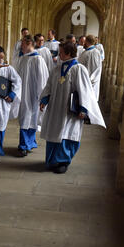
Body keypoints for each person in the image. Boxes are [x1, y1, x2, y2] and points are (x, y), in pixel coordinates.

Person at [40, 41, 106, 174]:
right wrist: (44, 99)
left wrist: (83, 108)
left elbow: (85, 90)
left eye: (61, 53)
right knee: (54, 133)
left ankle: (63, 161)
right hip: (55, 108)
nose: (59, 55)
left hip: (70, 110)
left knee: (67, 134)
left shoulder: (79, 69)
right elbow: (49, 85)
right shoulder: (56, 69)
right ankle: (52, 160)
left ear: (69, 53)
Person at [16, 35, 49, 157]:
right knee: (26, 117)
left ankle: (25, 145)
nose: (21, 46)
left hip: (33, 95)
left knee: (30, 118)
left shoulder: (37, 59)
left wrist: (41, 96)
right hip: (23, 93)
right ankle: (28, 143)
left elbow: (42, 79)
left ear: (29, 43)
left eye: (23, 43)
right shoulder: (24, 58)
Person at [78, 35, 103, 101]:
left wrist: (88, 81)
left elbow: (93, 70)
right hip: (84, 82)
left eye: (84, 41)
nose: (83, 44)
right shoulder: (86, 52)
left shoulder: (94, 53)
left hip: (88, 84)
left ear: (87, 41)